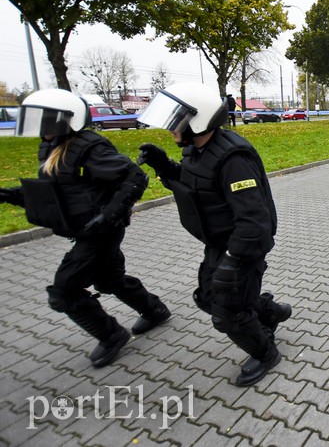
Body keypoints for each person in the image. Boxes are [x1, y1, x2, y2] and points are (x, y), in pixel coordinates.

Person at [0, 89, 170, 368]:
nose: (40, 127)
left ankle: (111, 335)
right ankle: (155, 310)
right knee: (109, 280)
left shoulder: (89, 147)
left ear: (65, 121)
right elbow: (59, 191)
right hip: (83, 228)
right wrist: (15, 195)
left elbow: (134, 177)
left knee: (64, 290)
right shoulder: (51, 147)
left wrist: (109, 216)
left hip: (100, 232)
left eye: (46, 120)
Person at [136, 83, 291, 387]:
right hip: (221, 242)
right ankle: (269, 312)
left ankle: (266, 353)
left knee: (227, 315)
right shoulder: (198, 149)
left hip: (243, 246)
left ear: (198, 120)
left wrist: (234, 261)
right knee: (207, 297)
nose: (171, 128)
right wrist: (164, 166)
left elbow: (253, 220)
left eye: (176, 119)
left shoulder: (234, 159)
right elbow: (197, 187)